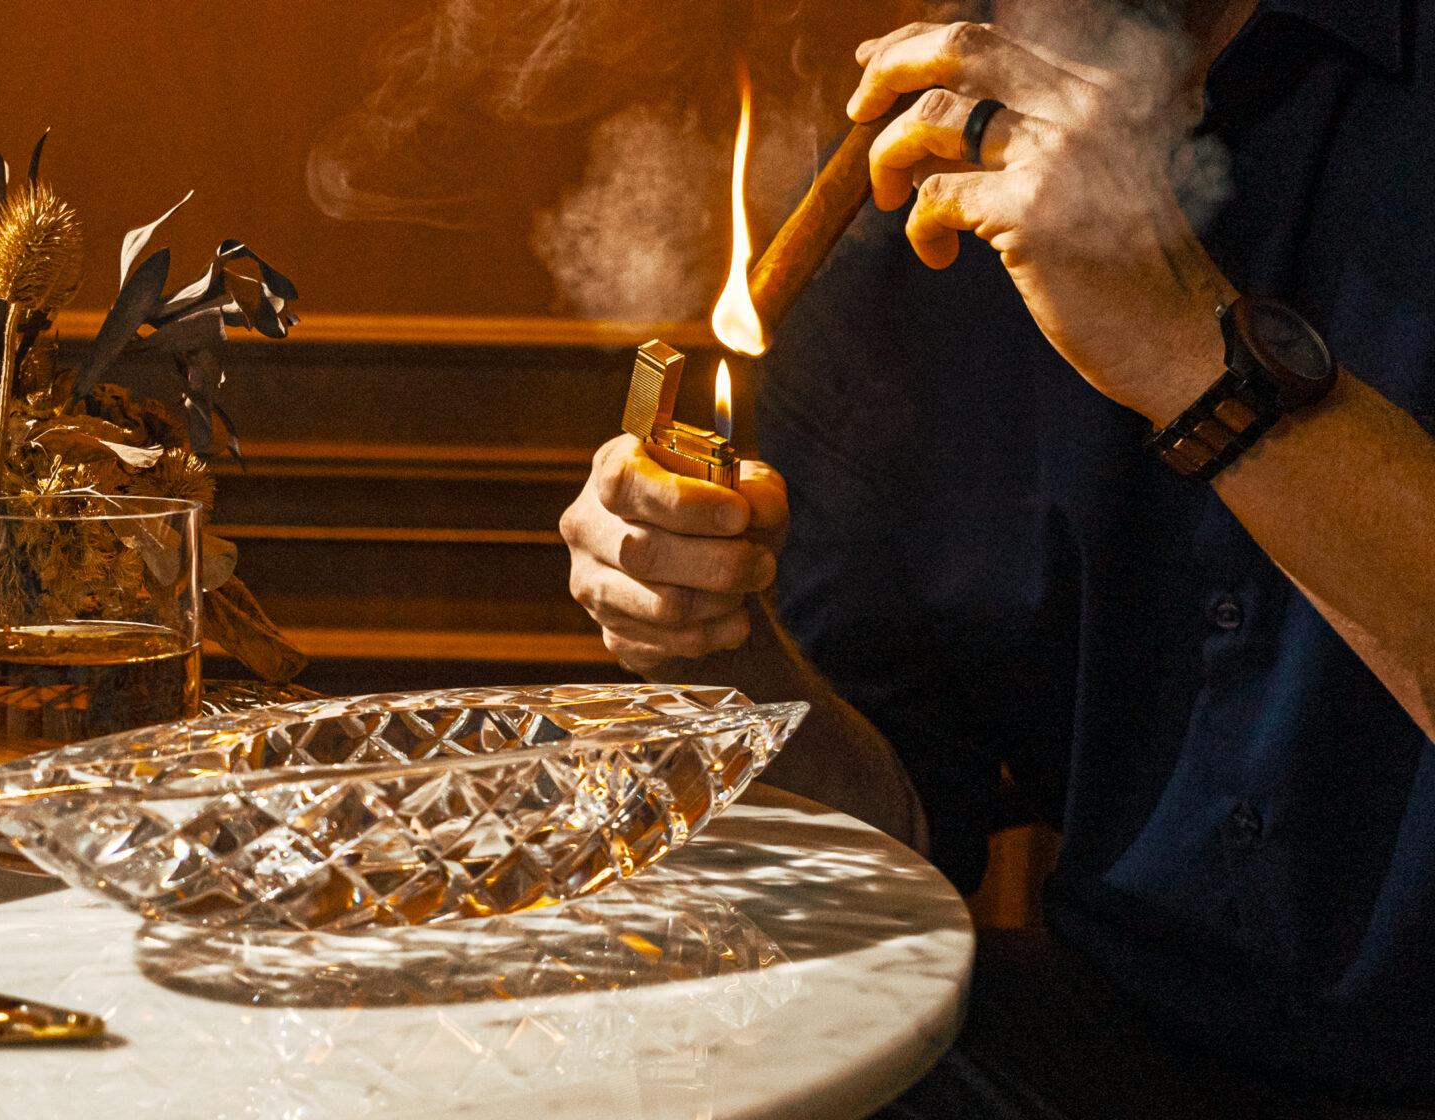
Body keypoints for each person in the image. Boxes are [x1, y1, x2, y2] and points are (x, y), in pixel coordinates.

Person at [559, 2, 1435, 1116]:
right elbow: (898, 835)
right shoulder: (905, 203)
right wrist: (712, 640)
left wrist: (1190, 357)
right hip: (1105, 1040)